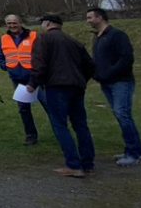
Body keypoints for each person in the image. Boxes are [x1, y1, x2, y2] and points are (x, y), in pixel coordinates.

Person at [27, 14, 95, 178]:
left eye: (43, 22)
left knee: (59, 124)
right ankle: (88, 163)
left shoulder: (43, 39)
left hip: (57, 86)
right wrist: (81, 80)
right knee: (80, 124)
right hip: (77, 86)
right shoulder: (73, 41)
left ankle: (73, 164)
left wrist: (33, 83)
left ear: (48, 23)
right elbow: (90, 65)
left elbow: (40, 64)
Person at [85, 7, 141, 167]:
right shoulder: (98, 38)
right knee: (121, 115)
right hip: (106, 83)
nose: (88, 21)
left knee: (123, 114)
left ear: (100, 18)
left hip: (121, 82)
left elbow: (126, 58)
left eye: (90, 17)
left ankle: (134, 153)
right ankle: (134, 150)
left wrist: (109, 73)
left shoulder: (117, 35)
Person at [0, 14, 43, 145]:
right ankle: (31, 136)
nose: (12, 25)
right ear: (6, 25)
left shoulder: (33, 35)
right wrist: (5, 66)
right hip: (18, 79)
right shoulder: (3, 39)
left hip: (37, 77)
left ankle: (61, 132)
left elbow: (43, 53)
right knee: (23, 109)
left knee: (49, 105)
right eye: (9, 23)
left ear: (20, 23)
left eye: (14, 23)